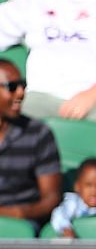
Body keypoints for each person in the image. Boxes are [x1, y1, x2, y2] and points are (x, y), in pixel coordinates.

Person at [0, 59, 62, 229]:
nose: (20, 93)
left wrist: (15, 214)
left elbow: (51, 198)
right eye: (12, 87)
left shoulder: (39, 133)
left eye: (23, 85)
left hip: (22, 224)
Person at [50, 157, 96, 238]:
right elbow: (59, 214)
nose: (94, 192)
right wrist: (66, 230)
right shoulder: (73, 202)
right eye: (88, 185)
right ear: (77, 186)